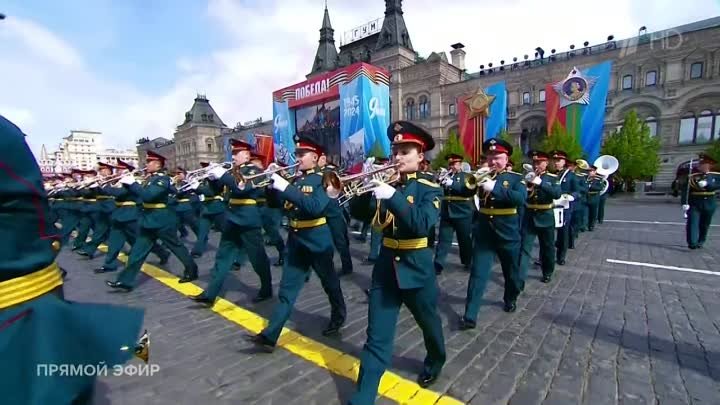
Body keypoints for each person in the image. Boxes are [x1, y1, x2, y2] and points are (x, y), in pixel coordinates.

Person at [0, 114, 144, 405]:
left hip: (140, 216)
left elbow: (150, 193)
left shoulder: (149, 179)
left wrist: (129, 184)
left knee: (141, 245)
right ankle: (114, 267)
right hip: (104, 216)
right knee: (123, 246)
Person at [348, 121, 446, 405]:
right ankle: (363, 399)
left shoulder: (430, 189)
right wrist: (364, 189)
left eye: (406, 151)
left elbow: (420, 224)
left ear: (420, 156)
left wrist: (392, 196)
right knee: (376, 338)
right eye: (396, 151)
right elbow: (361, 215)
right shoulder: (385, 184)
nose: (399, 157)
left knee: (429, 324)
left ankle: (436, 358)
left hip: (417, 268)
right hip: (386, 270)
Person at [245, 137, 346, 351]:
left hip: (317, 239)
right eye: (297, 154)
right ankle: (270, 335)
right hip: (296, 239)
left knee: (329, 283)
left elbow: (315, 207)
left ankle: (339, 315)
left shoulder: (325, 179)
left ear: (316, 157)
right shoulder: (296, 180)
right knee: (287, 289)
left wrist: (286, 187)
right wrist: (273, 187)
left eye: (302, 155)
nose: (297, 158)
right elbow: (277, 206)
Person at [189, 139, 273, 305]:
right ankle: (210, 294)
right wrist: (204, 181)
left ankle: (266, 288)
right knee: (222, 257)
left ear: (247, 155)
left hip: (248, 219)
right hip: (232, 218)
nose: (233, 157)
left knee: (257, 258)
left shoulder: (253, 170)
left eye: (236, 153)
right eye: (232, 153)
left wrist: (223, 175)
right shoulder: (231, 171)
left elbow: (242, 188)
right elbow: (214, 191)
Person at [106, 151, 198, 291]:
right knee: (137, 252)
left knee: (176, 247)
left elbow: (148, 196)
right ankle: (125, 281)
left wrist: (132, 184)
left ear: (157, 164)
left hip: (162, 220)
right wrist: (128, 184)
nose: (146, 164)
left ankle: (192, 269)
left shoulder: (163, 179)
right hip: (148, 220)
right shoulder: (149, 179)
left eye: (149, 162)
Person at [461, 138, 526, 330]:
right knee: (478, 273)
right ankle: (470, 315)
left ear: (506, 159)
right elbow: (464, 192)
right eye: (489, 158)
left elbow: (520, 199)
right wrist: (473, 183)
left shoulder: (516, 178)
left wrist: (495, 188)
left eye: (497, 158)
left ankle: (510, 297)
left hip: (507, 231)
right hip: (484, 232)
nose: (492, 162)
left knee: (511, 273)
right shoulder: (482, 175)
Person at [94, 159, 170, 273]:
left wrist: (103, 186)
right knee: (114, 241)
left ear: (127, 171)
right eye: (117, 169)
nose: (117, 172)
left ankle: (162, 253)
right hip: (119, 214)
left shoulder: (131, 181)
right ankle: (109, 264)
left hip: (131, 214)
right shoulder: (118, 181)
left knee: (141, 240)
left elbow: (119, 193)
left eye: (121, 170)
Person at [518, 151, 561, 286]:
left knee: (547, 248)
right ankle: (519, 278)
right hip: (529, 216)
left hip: (545, 216)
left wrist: (541, 183)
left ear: (546, 163)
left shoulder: (553, 178)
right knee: (524, 248)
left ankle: (547, 271)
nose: (536, 165)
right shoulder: (527, 176)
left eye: (539, 162)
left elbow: (557, 194)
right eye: (534, 162)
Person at [434, 153, 475, 274]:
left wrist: (452, 184)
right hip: (447, 212)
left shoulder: (468, 176)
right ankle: (438, 264)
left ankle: (467, 261)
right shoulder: (446, 176)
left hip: (463, 212)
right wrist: (438, 181)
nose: (451, 166)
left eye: (454, 164)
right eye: (450, 164)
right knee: (443, 240)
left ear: (460, 164)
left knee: (464, 239)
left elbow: (470, 190)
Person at [319, 153, 353, 276]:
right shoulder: (318, 172)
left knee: (341, 241)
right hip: (324, 212)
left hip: (334, 211)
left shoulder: (330, 171)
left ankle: (347, 266)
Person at [77, 162, 116, 258]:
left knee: (124, 232)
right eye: (100, 170)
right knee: (99, 230)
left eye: (103, 170)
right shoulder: (99, 180)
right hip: (101, 208)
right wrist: (89, 184)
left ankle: (134, 246)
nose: (101, 172)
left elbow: (112, 192)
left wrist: (101, 183)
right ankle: (89, 250)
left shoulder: (114, 180)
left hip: (112, 207)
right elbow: (89, 193)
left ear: (109, 171)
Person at [681, 153, 719, 249]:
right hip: (695, 203)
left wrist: (708, 184)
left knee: (704, 224)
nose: (700, 166)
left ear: (709, 165)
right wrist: (684, 203)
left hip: (710, 203)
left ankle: (701, 240)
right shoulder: (693, 176)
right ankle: (692, 242)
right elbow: (686, 190)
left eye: (703, 164)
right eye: (700, 164)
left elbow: (717, 185)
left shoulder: (716, 176)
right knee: (692, 222)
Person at [191, 162, 226, 258]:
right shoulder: (204, 179)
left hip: (217, 207)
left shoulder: (216, 179)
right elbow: (199, 191)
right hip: (206, 208)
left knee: (226, 231)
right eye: (203, 167)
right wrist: (193, 184)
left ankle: (237, 249)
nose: (204, 169)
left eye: (206, 167)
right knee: (202, 231)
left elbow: (210, 192)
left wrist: (197, 186)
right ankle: (197, 251)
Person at [550, 150, 578, 265]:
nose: (556, 163)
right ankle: (545, 257)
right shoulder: (552, 174)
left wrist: (572, 196)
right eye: (554, 160)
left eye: (559, 160)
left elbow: (578, 190)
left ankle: (561, 256)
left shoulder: (571, 175)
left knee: (563, 233)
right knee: (548, 233)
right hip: (551, 206)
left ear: (564, 161)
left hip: (564, 207)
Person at [585, 165, 605, 231]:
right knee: (585, 213)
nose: (590, 172)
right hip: (586, 197)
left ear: (595, 171)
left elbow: (600, 188)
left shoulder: (598, 179)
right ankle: (585, 225)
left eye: (591, 171)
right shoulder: (585, 178)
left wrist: (589, 186)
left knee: (593, 213)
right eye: (589, 171)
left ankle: (591, 225)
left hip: (594, 198)